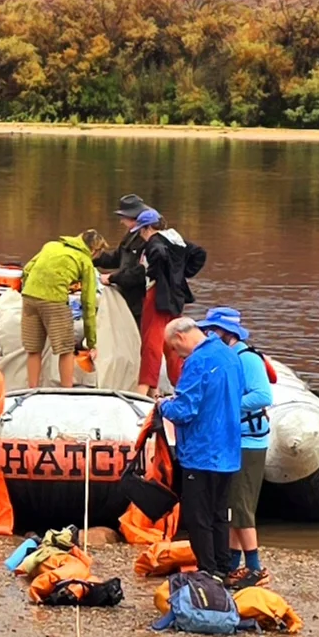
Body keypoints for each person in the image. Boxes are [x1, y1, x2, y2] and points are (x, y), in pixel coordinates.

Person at [157, 317, 242, 577]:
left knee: (198, 516)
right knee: (219, 513)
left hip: (202, 451)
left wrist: (162, 405)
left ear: (181, 337)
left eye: (173, 347)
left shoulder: (197, 361)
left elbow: (184, 410)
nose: (176, 353)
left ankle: (208, 570)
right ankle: (224, 567)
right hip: (229, 449)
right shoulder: (231, 356)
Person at [197, 308, 272, 589]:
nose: (207, 335)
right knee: (230, 506)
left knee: (241, 507)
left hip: (249, 443)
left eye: (212, 330)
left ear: (227, 333)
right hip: (233, 440)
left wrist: (227, 404)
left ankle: (255, 569)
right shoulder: (228, 357)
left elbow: (264, 395)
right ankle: (231, 563)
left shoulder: (248, 359)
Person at [136, 210, 207, 395]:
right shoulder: (175, 240)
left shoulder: (155, 241)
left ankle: (143, 390)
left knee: (152, 342)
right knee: (175, 342)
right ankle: (178, 385)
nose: (141, 235)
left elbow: (158, 254)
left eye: (141, 231)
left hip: (157, 295)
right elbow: (200, 253)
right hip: (175, 297)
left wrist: (156, 273)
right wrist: (182, 274)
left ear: (148, 228)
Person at [19, 230, 101, 389]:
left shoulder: (51, 246)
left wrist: (31, 289)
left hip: (29, 296)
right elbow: (88, 303)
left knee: (33, 348)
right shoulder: (85, 261)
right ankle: (66, 391)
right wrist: (91, 342)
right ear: (94, 250)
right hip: (54, 300)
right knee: (66, 349)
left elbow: (27, 269)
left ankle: (32, 389)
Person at [94, 195, 150, 323]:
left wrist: (111, 278)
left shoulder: (148, 239)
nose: (121, 221)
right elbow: (116, 259)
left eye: (123, 217)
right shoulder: (130, 235)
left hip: (140, 300)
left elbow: (139, 273)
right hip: (126, 294)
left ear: (134, 217)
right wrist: (94, 256)